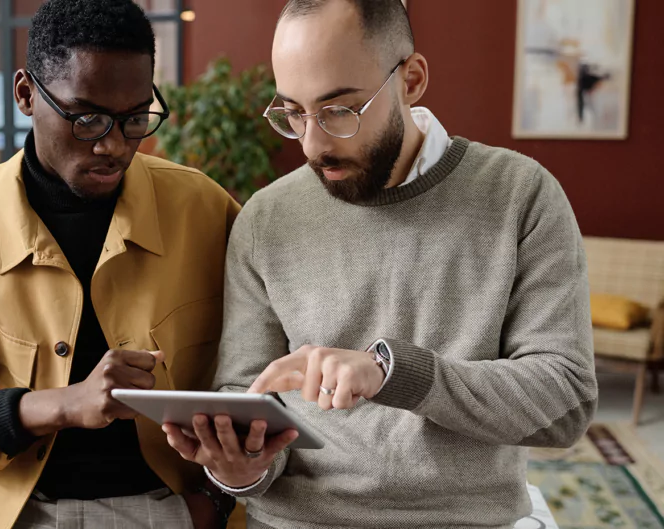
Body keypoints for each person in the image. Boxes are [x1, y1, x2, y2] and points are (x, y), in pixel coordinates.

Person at [162, 1, 598, 527]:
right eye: (293, 113)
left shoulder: (520, 195)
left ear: (411, 80)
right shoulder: (265, 218)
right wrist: (239, 466)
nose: (313, 144)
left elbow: (566, 402)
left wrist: (392, 372)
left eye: (339, 110)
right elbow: (245, 393)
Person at [0, 1, 241, 527]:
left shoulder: (205, 211)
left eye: (135, 118)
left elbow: (259, 371)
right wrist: (61, 405)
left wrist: (210, 507)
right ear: (26, 94)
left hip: (168, 506)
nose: (114, 145)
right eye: (87, 118)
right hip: (2, 507)